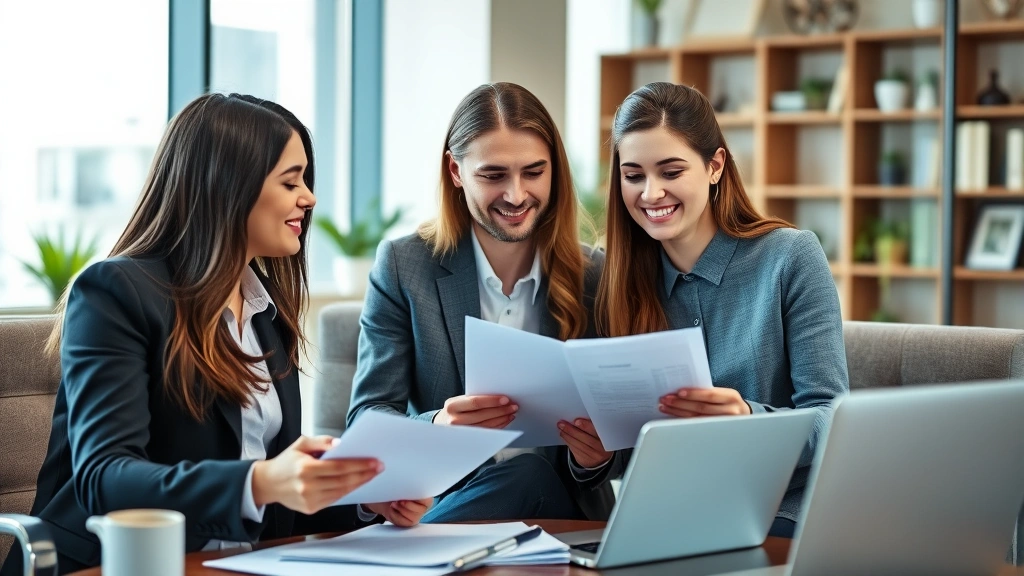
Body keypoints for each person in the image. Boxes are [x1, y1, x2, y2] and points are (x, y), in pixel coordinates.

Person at [0, 93, 430, 576]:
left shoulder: (267, 312)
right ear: (228, 188)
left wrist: (365, 501)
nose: (308, 198)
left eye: (306, 181)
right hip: (112, 564)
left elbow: (272, 504)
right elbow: (106, 478)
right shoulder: (115, 292)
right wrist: (263, 480)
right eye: (291, 181)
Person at [567, 82, 849, 538]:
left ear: (715, 165)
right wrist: (595, 456)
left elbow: (833, 418)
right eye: (633, 175)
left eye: (671, 171)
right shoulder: (616, 279)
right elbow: (630, 446)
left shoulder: (790, 257)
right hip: (667, 515)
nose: (651, 193)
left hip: (780, 514)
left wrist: (749, 420)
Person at [347, 82, 615, 522]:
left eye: (533, 172)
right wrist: (438, 427)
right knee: (518, 477)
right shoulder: (404, 265)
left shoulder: (595, 276)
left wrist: (596, 457)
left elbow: (623, 439)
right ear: (455, 171)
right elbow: (367, 419)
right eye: (493, 176)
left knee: (529, 474)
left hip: (560, 517)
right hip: (450, 503)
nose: (515, 195)